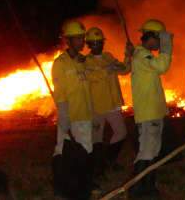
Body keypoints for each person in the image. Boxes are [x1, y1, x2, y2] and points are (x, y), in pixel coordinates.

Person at [52, 21, 96, 198]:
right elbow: (60, 91)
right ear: (68, 41)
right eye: (78, 38)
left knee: (86, 149)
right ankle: (62, 186)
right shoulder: (60, 63)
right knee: (61, 150)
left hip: (85, 114)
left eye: (83, 38)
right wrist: (63, 114)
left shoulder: (82, 62)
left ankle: (81, 184)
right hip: (71, 114)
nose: (82, 41)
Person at [130, 19, 173, 198]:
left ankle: (148, 188)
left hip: (153, 112)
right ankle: (137, 190)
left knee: (152, 152)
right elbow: (162, 66)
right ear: (152, 37)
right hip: (148, 113)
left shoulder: (144, 55)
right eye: (160, 38)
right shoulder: (142, 55)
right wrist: (167, 45)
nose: (161, 43)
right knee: (146, 152)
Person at [84, 27, 133, 178]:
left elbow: (124, 70)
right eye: (94, 43)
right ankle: (97, 170)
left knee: (121, 132)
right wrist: (108, 69)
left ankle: (109, 160)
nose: (98, 45)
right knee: (96, 139)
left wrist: (128, 55)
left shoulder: (108, 56)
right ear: (89, 45)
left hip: (113, 104)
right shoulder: (86, 61)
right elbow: (92, 76)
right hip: (97, 106)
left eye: (100, 42)